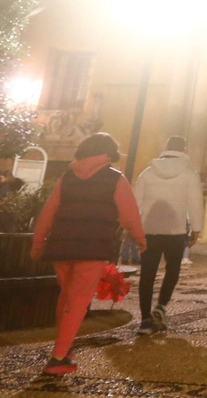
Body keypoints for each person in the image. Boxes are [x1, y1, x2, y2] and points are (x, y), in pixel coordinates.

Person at [31, 132, 146, 374]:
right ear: (109, 153)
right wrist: (140, 239)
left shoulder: (67, 177)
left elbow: (48, 212)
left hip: (62, 245)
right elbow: (129, 215)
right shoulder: (115, 178)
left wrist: (38, 243)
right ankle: (58, 357)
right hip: (93, 248)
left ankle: (64, 348)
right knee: (78, 301)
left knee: (66, 297)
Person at [131, 135, 203, 334]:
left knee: (147, 274)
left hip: (150, 230)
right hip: (175, 230)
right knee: (173, 270)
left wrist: (133, 228)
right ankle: (161, 306)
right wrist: (196, 228)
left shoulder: (147, 173)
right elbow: (196, 202)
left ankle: (145, 320)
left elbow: (135, 202)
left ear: (165, 148)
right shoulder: (189, 174)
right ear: (184, 151)